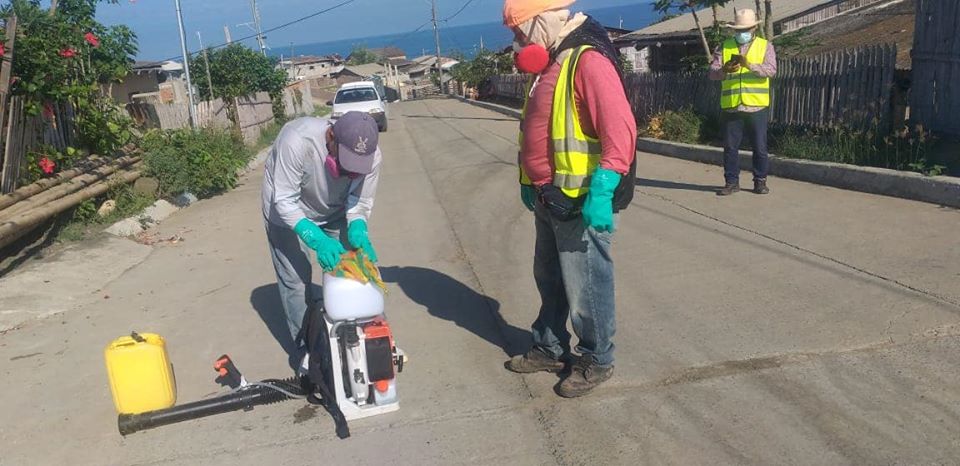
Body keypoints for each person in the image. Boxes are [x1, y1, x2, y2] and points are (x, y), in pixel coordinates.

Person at [502, 0, 637, 398]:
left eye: (519, 29)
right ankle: (549, 346)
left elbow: (621, 129)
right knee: (550, 279)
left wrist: (602, 190)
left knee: (586, 286)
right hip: (549, 195)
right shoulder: (551, 61)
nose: (516, 39)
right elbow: (537, 128)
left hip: (580, 199)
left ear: (542, 21)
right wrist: (528, 179)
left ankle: (597, 358)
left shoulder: (587, 61)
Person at [261, 111, 382, 358]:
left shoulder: (372, 157)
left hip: (335, 208)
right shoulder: (296, 141)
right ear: (330, 137)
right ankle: (307, 351)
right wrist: (316, 239)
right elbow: (284, 201)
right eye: (346, 163)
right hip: (287, 211)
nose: (350, 174)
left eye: (356, 169)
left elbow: (360, 201)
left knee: (350, 271)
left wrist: (358, 227)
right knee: (296, 281)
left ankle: (351, 339)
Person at [709, 9, 778, 196]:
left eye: (745, 29)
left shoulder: (765, 46)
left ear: (754, 28)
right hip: (732, 106)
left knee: (760, 147)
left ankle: (760, 182)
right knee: (730, 148)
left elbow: (771, 70)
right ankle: (731, 182)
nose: (742, 33)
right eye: (739, 30)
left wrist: (749, 65)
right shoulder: (724, 47)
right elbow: (713, 73)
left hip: (756, 105)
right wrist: (724, 70)